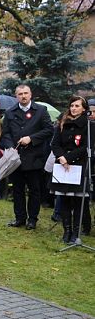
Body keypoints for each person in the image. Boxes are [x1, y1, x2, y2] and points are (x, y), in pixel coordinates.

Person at [1, 84, 53, 230]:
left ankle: (32, 219)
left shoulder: (41, 111)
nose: (23, 96)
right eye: (20, 94)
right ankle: (20, 218)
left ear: (30, 95)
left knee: (34, 190)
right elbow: (5, 133)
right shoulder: (10, 112)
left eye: (26, 93)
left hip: (34, 157)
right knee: (17, 189)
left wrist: (31, 138)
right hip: (16, 158)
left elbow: (49, 129)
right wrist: (10, 146)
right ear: (16, 96)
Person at [49, 96, 89, 243]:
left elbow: (87, 147)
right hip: (62, 166)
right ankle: (67, 231)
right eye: (72, 105)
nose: (73, 108)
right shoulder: (62, 122)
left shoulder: (88, 125)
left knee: (78, 201)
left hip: (79, 165)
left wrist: (70, 157)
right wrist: (61, 157)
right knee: (64, 199)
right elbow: (55, 144)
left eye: (77, 106)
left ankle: (76, 234)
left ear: (83, 108)